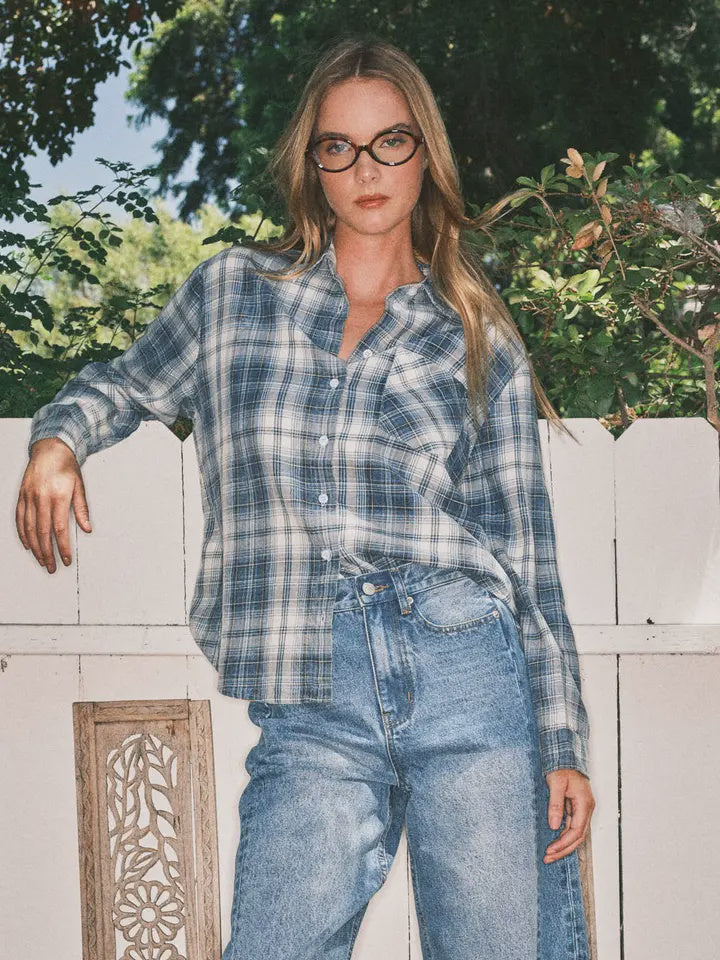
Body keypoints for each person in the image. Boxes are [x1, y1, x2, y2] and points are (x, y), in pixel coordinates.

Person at [17, 35, 595, 960]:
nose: (366, 169)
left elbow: (528, 561)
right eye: (340, 147)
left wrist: (561, 738)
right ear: (312, 166)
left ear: (424, 153)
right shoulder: (232, 295)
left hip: (464, 662)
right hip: (309, 679)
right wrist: (57, 439)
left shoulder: (477, 339)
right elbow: (124, 383)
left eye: (390, 142)